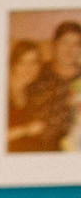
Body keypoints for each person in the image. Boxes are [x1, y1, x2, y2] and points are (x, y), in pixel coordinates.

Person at [22, 21, 81, 152]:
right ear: (54, 45)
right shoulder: (36, 73)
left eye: (76, 44)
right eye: (65, 43)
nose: (70, 50)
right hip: (38, 147)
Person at [8, 41, 56, 150]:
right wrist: (26, 130)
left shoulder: (31, 90)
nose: (28, 68)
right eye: (23, 62)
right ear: (13, 64)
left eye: (34, 62)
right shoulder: (1, 90)